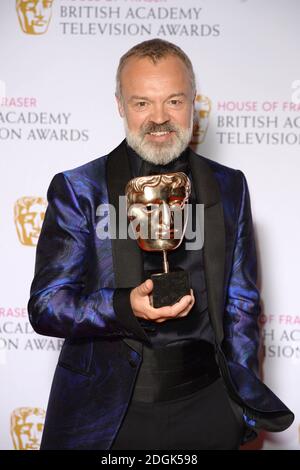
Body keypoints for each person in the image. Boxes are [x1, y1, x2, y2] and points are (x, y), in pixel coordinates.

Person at [28, 38, 294, 450]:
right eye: (141, 103)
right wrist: (122, 306)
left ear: (193, 103)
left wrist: (240, 400)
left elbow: (242, 304)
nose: (159, 118)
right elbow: (47, 305)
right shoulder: (80, 189)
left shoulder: (229, 185)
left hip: (208, 406)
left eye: (173, 101)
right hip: (111, 413)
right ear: (120, 104)